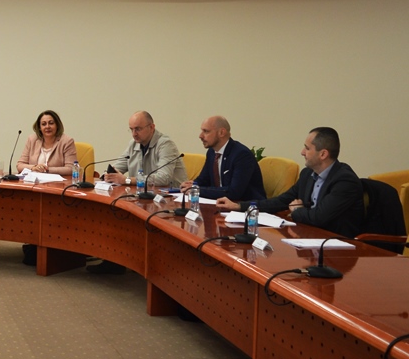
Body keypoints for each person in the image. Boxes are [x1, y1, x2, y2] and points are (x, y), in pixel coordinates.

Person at [216, 127, 363, 238]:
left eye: (307, 148)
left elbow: (318, 218)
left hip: (337, 246)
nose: (302, 152)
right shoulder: (307, 174)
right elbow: (281, 201)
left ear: (323, 154)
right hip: (307, 237)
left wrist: (297, 211)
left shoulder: (345, 181)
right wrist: (239, 206)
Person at [93, 111, 188, 274]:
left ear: (152, 127)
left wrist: (127, 180)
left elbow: (163, 178)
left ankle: (153, 267)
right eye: (131, 129)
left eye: (138, 129)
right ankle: (116, 260)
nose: (134, 134)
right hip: (144, 197)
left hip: (170, 199)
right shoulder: (134, 144)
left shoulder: (166, 144)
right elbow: (119, 165)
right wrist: (108, 174)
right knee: (115, 212)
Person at [180, 116, 266, 201]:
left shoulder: (241, 155)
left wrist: (197, 190)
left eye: (206, 131)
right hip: (219, 203)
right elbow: (204, 180)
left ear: (221, 132)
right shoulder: (211, 152)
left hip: (245, 205)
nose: (200, 136)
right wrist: (191, 185)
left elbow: (234, 192)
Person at [16, 110, 78, 175]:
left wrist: (46, 169)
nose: (47, 127)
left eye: (51, 123)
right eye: (43, 124)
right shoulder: (32, 139)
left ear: (57, 125)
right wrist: (34, 167)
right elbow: (20, 165)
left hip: (57, 181)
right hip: (34, 180)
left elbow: (71, 169)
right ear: (39, 127)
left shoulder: (67, 141)